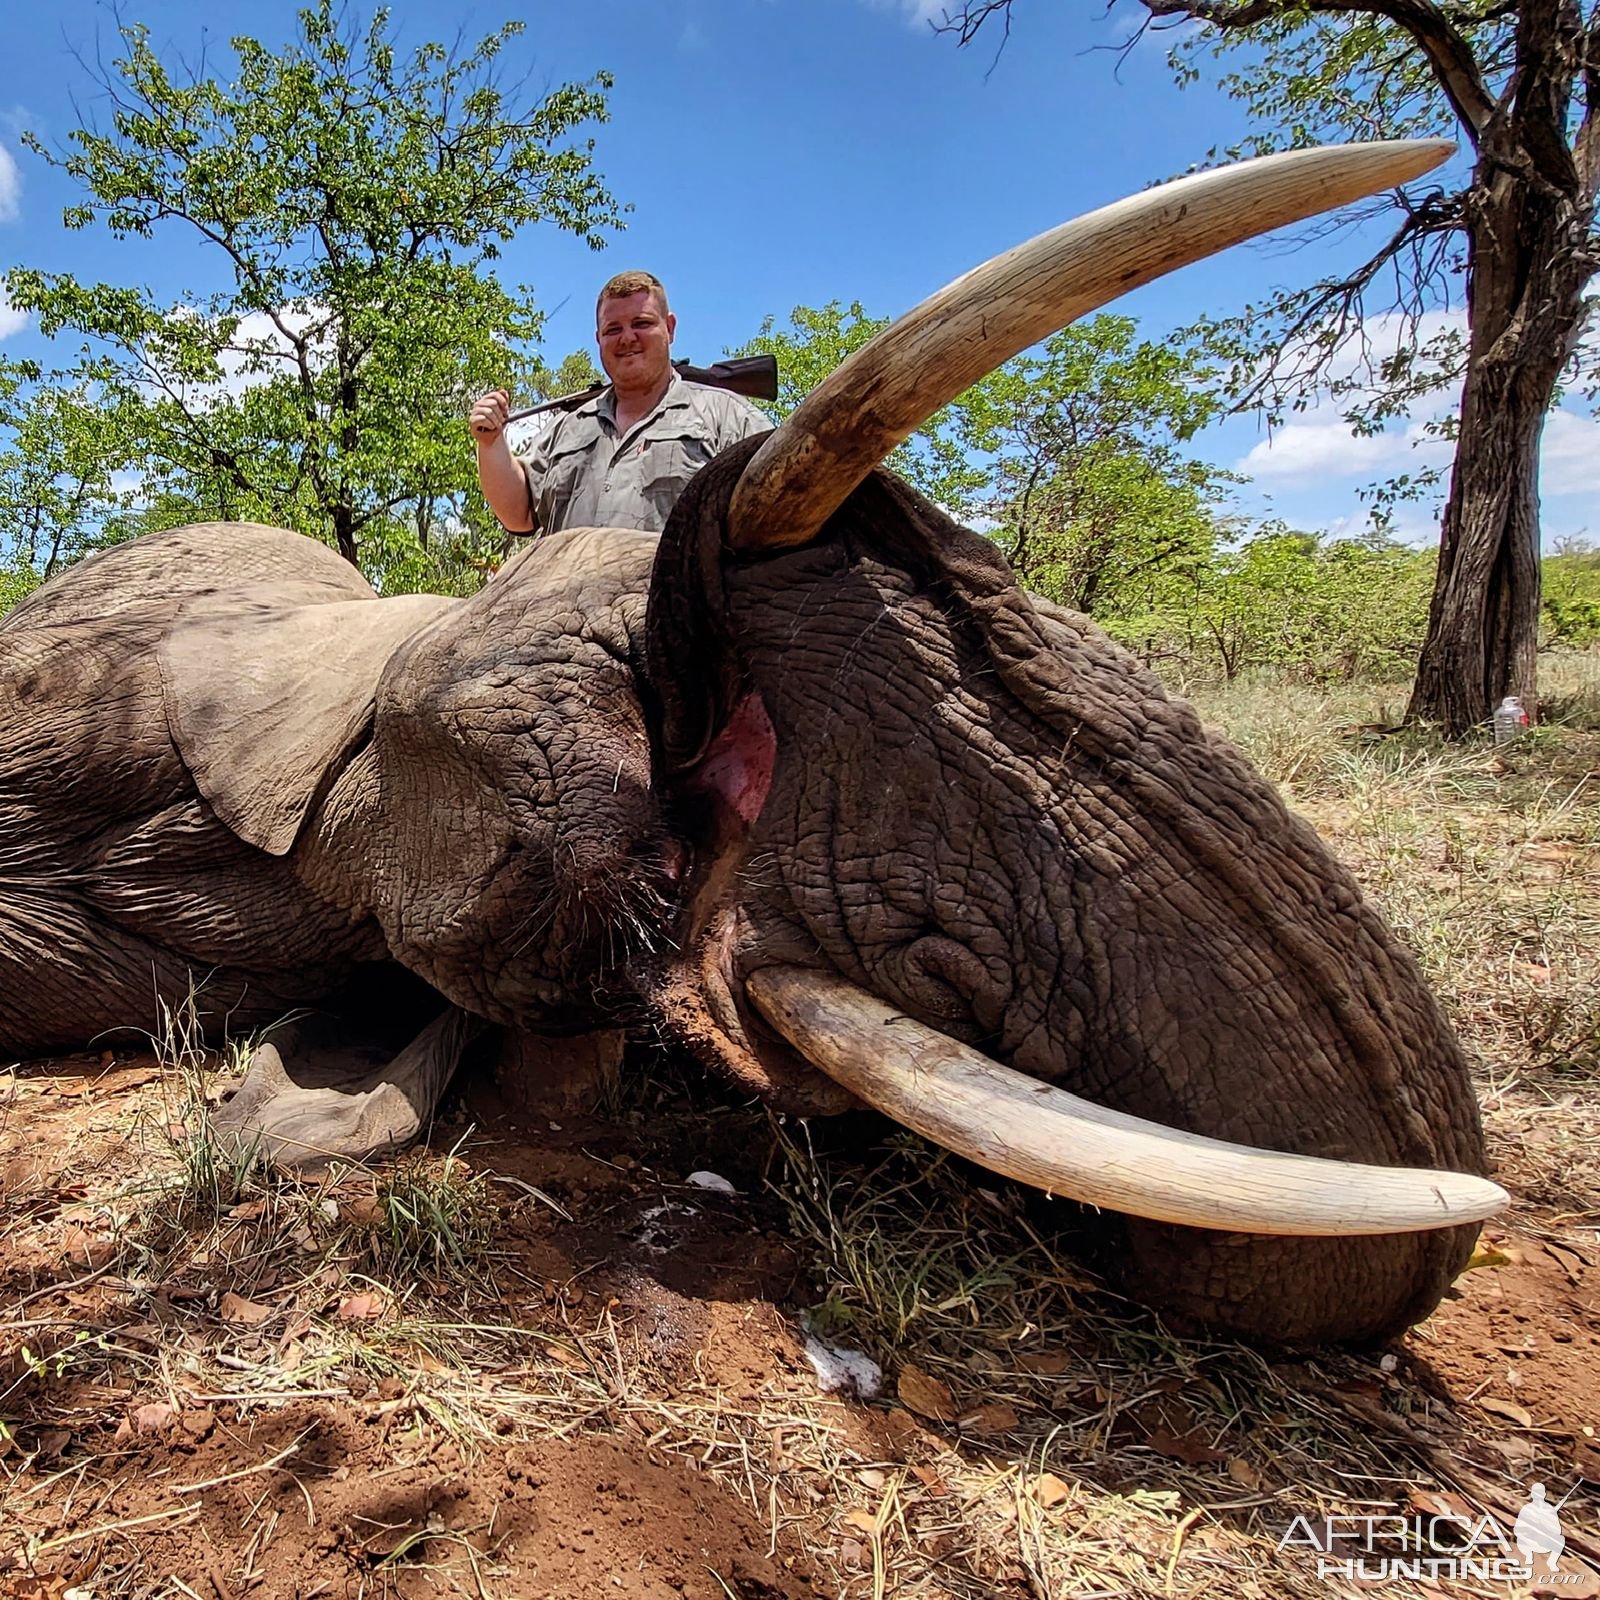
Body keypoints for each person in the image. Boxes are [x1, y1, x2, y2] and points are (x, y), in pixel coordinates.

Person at [471, 270, 769, 537]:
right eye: (613, 329)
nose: (627, 338)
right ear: (598, 338)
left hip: (673, 600)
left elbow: (777, 505)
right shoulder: (566, 428)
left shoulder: (729, 416)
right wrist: (490, 442)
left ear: (670, 328)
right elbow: (519, 515)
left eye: (642, 323)